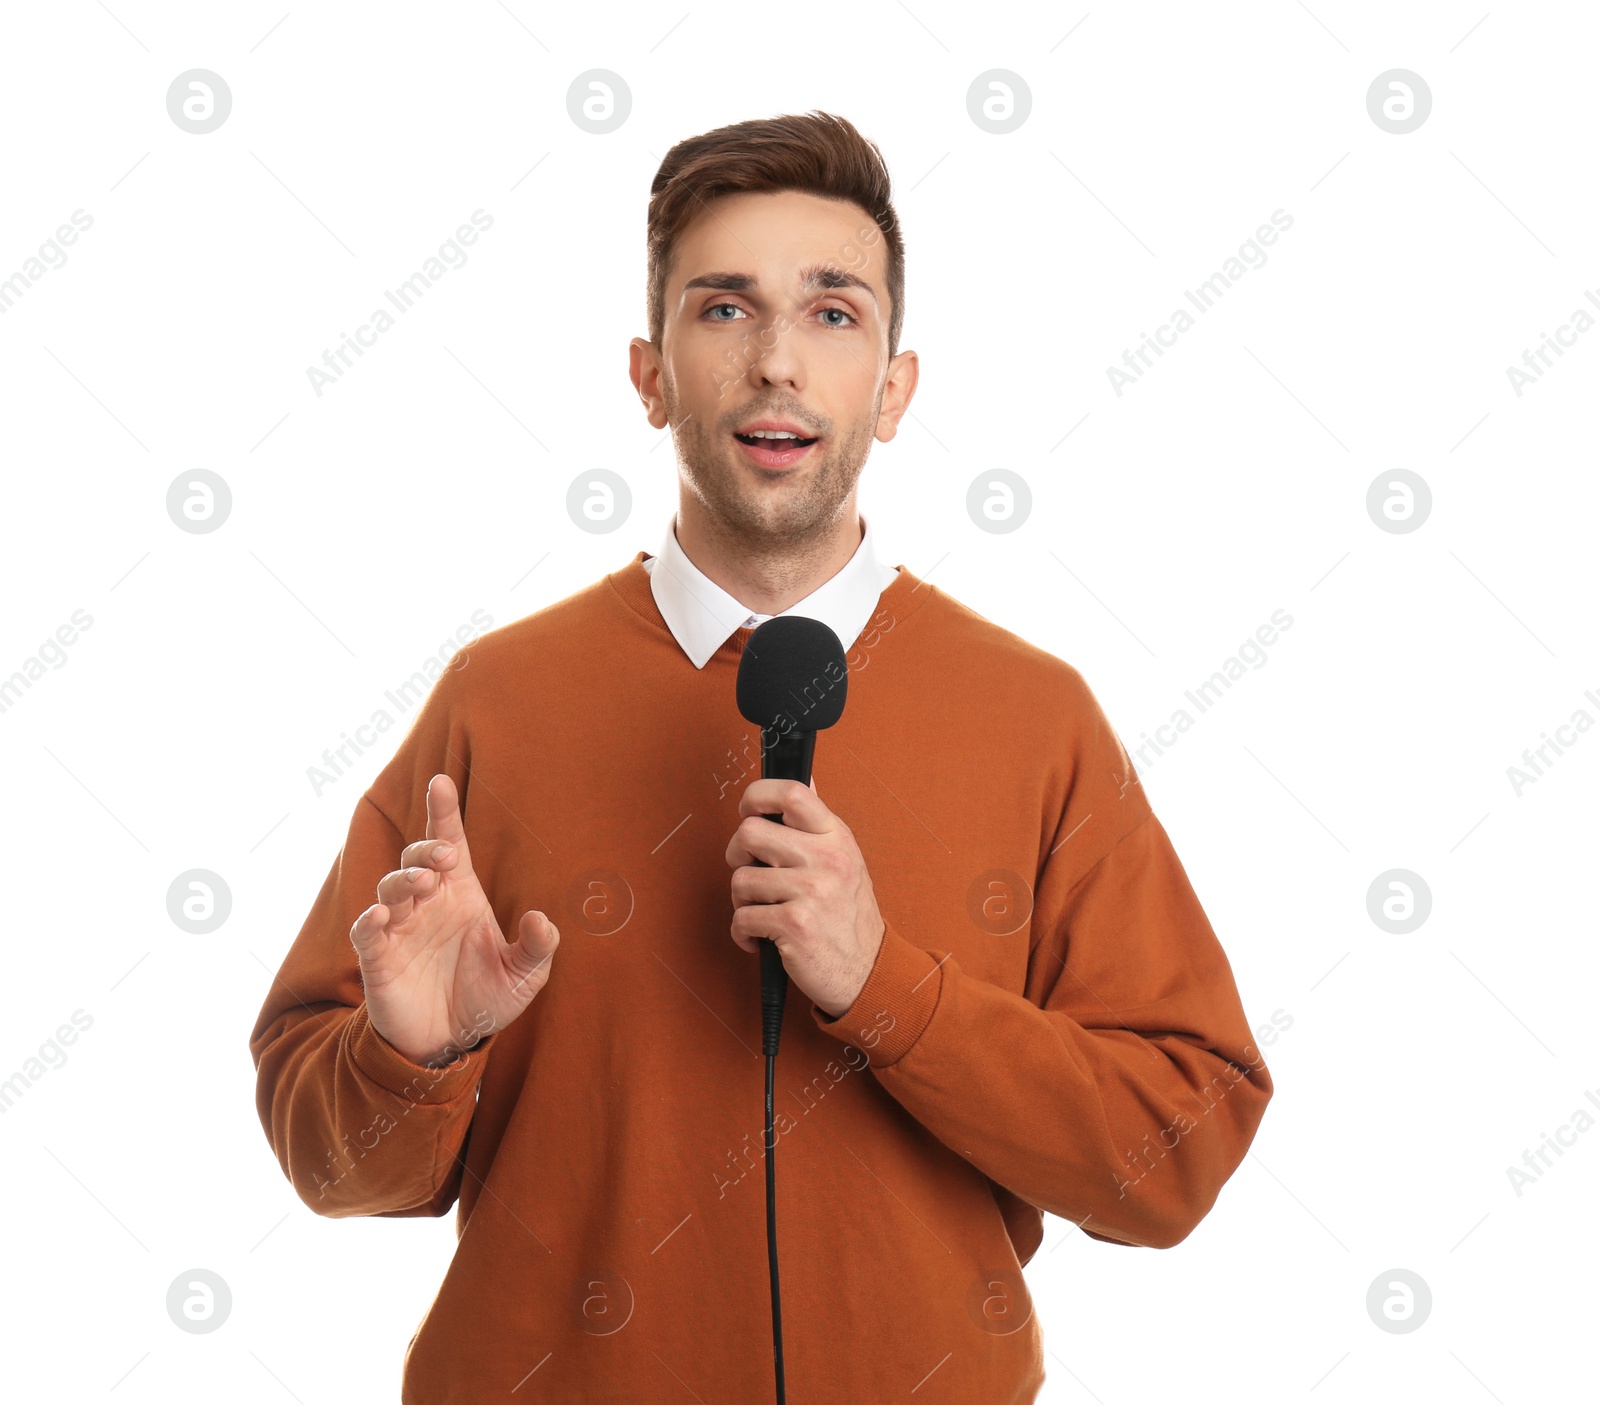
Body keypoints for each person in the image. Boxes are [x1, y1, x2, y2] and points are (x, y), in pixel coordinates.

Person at [249, 110, 1273, 1403]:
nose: (778, 361)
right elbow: (334, 1170)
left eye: (833, 313)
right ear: (651, 374)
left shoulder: (1035, 716)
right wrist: (417, 1057)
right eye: (724, 310)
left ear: (894, 388)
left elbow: (1172, 1157)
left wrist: (890, 988)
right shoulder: (495, 703)